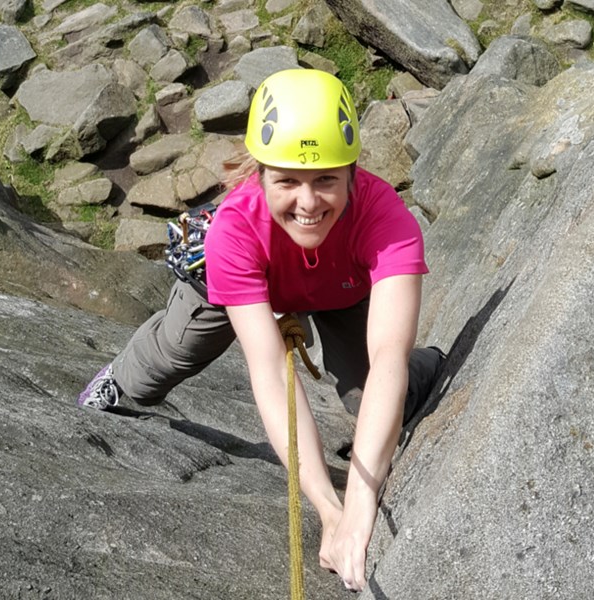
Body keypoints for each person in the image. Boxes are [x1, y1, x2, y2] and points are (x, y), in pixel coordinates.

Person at [77, 68, 444, 591]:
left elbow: (387, 353)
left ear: (352, 172)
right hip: (243, 274)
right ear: (260, 173)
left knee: (381, 393)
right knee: (172, 355)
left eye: (325, 180)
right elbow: (272, 369)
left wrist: (361, 502)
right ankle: (119, 380)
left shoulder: (384, 218)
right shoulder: (236, 229)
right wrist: (327, 506)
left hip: (339, 285)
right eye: (287, 180)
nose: (308, 202)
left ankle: (428, 363)